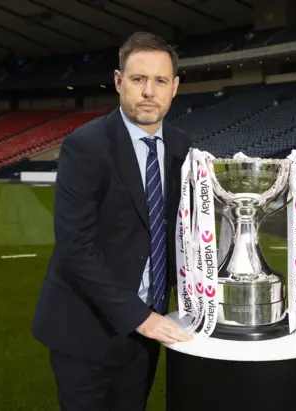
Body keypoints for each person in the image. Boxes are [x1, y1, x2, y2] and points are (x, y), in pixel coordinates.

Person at [31, 31, 194, 411]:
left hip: (147, 331)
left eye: (160, 81)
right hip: (87, 330)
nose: (149, 91)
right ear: (119, 81)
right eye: (138, 79)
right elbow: (76, 247)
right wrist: (139, 317)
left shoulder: (185, 147)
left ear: (175, 88)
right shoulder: (86, 146)